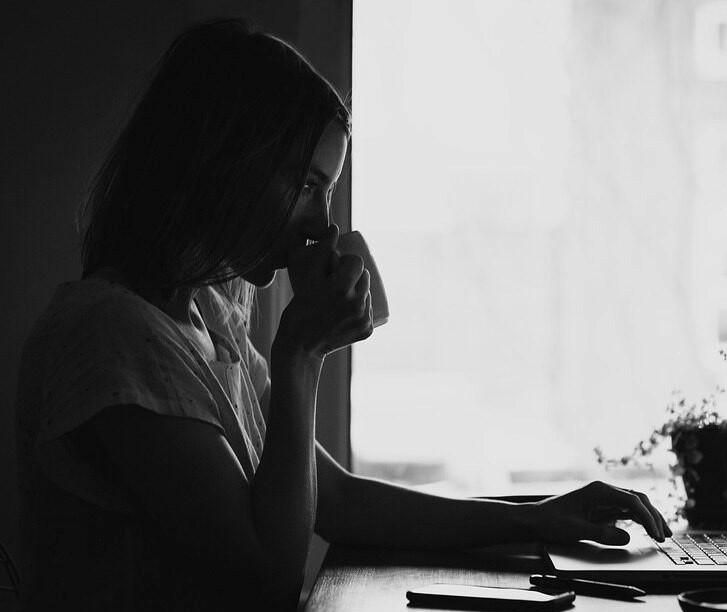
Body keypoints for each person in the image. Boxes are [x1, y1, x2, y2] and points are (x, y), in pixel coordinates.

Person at [15, 17, 671, 612]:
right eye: (307, 186)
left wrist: (533, 518)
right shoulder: (112, 335)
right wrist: (300, 355)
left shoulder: (209, 320)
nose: (323, 223)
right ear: (223, 163)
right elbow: (264, 579)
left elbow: (338, 500)